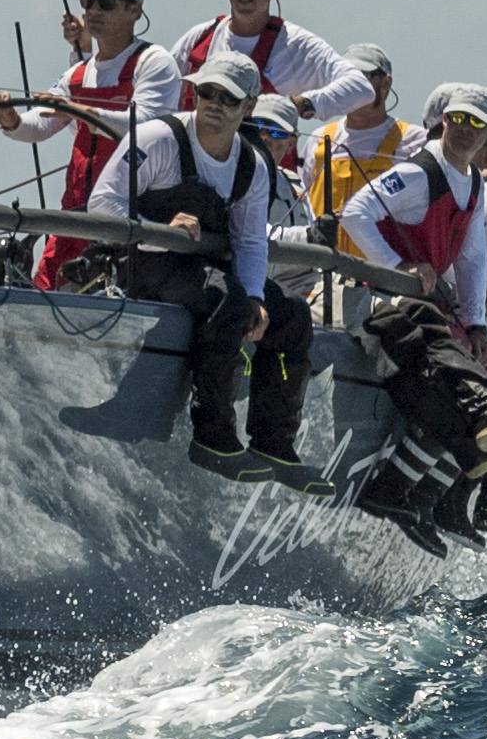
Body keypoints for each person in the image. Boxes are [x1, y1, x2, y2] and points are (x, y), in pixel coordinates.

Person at [86, 52, 319, 485]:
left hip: (203, 269)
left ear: (248, 106)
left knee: (291, 314)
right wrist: (160, 230)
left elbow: (250, 241)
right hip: (143, 262)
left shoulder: (251, 165)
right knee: (227, 303)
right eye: (206, 92)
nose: (214, 103)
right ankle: (213, 437)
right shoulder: (157, 138)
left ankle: (273, 441)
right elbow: (101, 205)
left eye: (228, 98)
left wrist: (256, 297)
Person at [337, 87, 487, 484]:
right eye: (457, 118)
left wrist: (476, 328)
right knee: (435, 343)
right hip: (376, 298)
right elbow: (355, 212)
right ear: (444, 120)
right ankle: (484, 417)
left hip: (421, 304)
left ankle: (428, 479)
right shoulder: (420, 173)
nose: (464, 128)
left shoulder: (473, 182)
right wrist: (396, 265)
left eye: (475, 122)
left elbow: (471, 260)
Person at [0, 0, 174, 286]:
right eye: (88, 2)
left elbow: (147, 127)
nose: (93, 11)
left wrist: (79, 111)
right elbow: (41, 123)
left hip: (128, 220)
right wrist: (12, 121)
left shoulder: (154, 62)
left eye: (106, 3)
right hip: (73, 219)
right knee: (43, 293)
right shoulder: (78, 73)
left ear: (134, 9)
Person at [178, 0, 383, 134]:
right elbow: (166, 92)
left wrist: (300, 104)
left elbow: (360, 87)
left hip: (262, 160)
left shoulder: (296, 44)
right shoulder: (200, 37)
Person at [304, 46, 409, 245]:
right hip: (322, 264)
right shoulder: (317, 140)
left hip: (381, 264)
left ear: (386, 83)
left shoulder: (412, 140)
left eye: (363, 77)